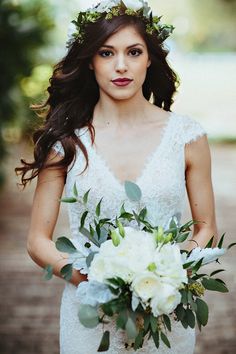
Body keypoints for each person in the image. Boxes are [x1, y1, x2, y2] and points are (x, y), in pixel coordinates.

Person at [15, 1, 218, 353]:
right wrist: (96, 279)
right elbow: (38, 240)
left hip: (162, 316)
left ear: (149, 58)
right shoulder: (66, 142)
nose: (121, 66)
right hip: (89, 319)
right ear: (90, 60)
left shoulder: (187, 136)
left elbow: (206, 229)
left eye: (133, 52)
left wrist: (167, 275)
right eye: (106, 53)